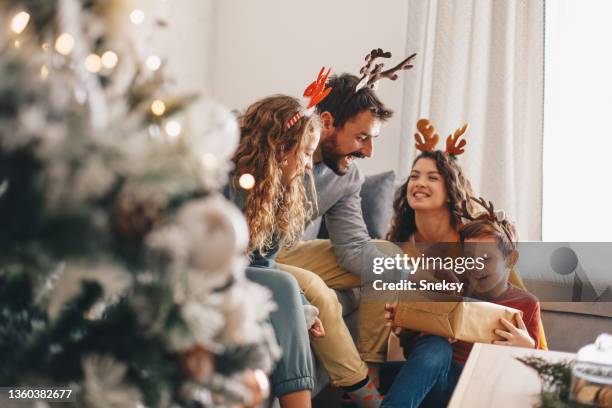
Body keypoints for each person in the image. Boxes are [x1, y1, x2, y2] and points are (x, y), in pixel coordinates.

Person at [381, 197, 542, 408]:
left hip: (485, 388)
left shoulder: (527, 303)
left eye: (486, 259)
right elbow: (417, 354)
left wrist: (527, 347)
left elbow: (542, 372)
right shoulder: (453, 289)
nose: (476, 267)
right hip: (442, 382)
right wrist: (408, 325)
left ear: (510, 260)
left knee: (393, 374)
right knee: (435, 346)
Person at [227, 93, 325, 408]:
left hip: (241, 280)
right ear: (281, 147)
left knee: (289, 289)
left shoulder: (275, 194)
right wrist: (293, 297)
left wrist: (302, 307)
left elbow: (263, 264)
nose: (310, 165)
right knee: (285, 284)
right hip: (209, 276)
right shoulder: (231, 184)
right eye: (307, 153)